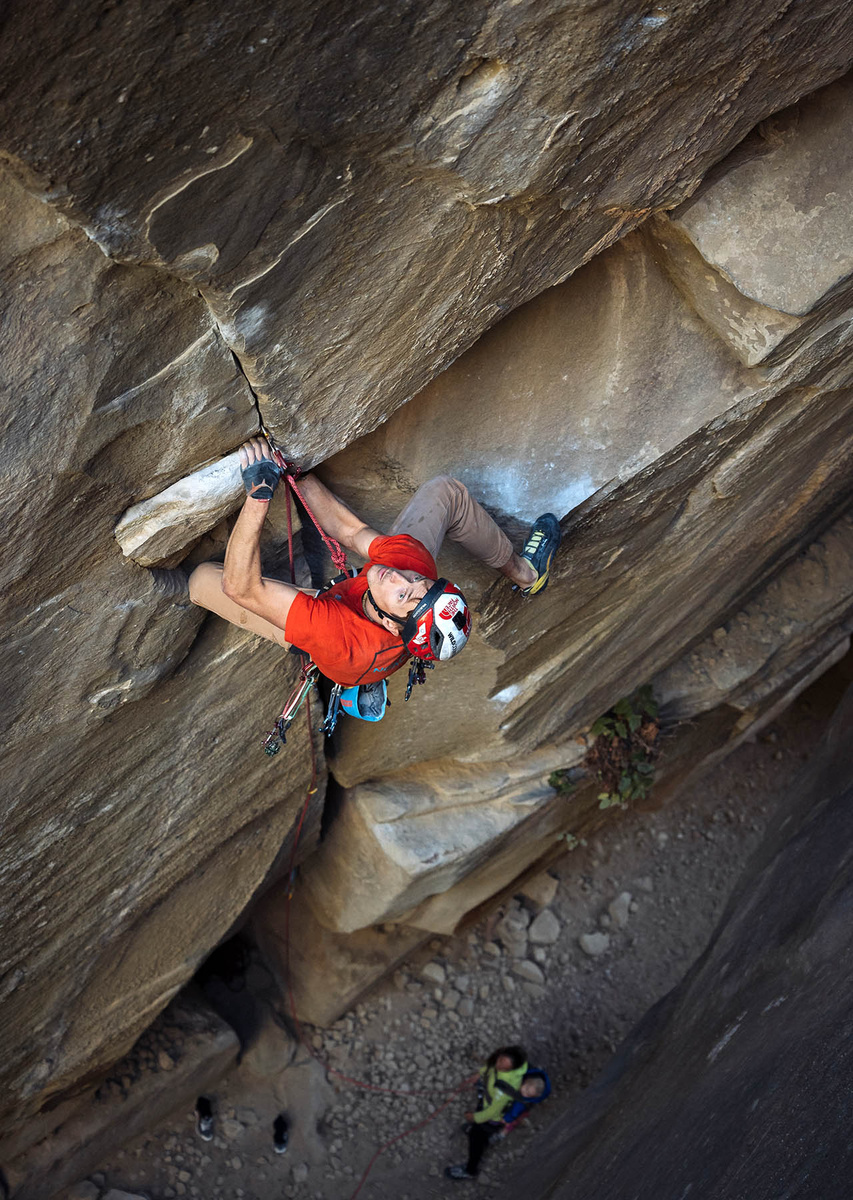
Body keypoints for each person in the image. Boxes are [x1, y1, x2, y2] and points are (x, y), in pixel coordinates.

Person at [188, 437, 561, 688]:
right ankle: (527, 573)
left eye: (403, 596)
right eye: (418, 581)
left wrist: (259, 494)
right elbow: (350, 532)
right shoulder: (412, 573)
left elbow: (240, 588)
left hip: (337, 634)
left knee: (201, 580)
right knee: (446, 493)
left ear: (389, 623)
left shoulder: (339, 636)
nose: (399, 576)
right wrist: (296, 474)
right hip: (355, 614)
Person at [445, 1048, 550, 1181]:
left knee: (476, 1138)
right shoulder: (520, 1065)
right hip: (489, 1103)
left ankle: (470, 1170)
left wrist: (474, 1118)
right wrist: (481, 1073)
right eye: (500, 1060)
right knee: (478, 1129)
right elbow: (494, 1068)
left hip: (491, 1118)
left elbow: (492, 1112)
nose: (498, 1065)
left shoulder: (507, 1090)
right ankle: (479, 1134)